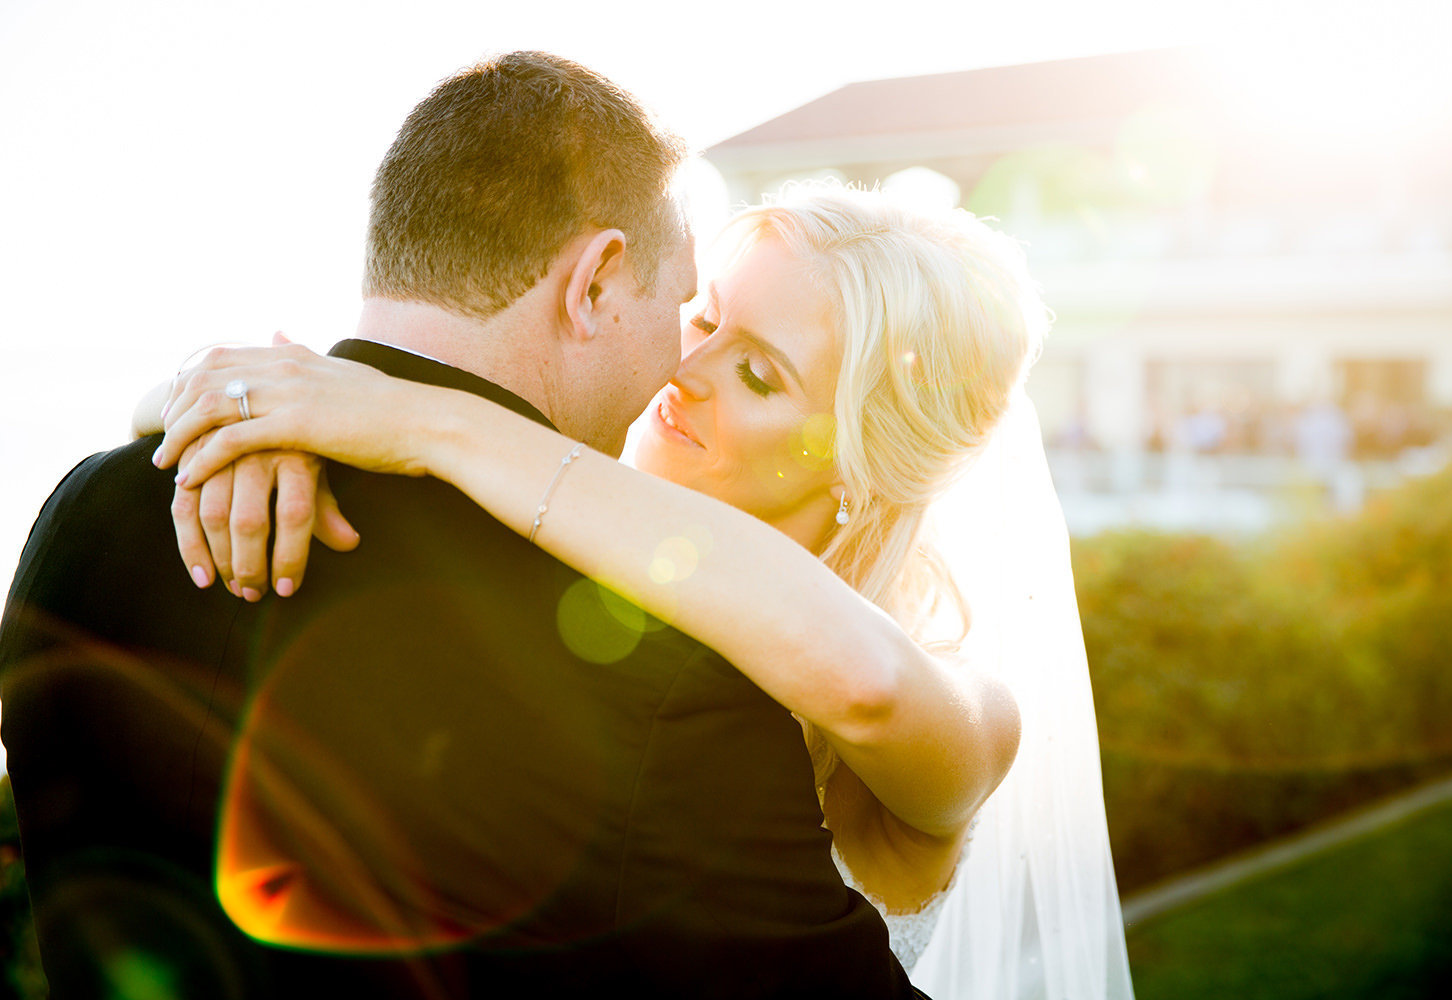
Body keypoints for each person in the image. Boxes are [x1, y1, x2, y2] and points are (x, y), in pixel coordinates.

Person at [0, 53, 918, 999]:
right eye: (682, 307)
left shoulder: (91, 512)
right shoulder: (667, 675)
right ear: (596, 283)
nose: (681, 360)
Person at [155, 186, 1135, 998]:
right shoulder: (569, 562)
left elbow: (864, 682)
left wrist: (418, 418)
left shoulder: (967, 707)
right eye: (702, 319)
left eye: (757, 373)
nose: (686, 369)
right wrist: (228, 413)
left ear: (862, 462)